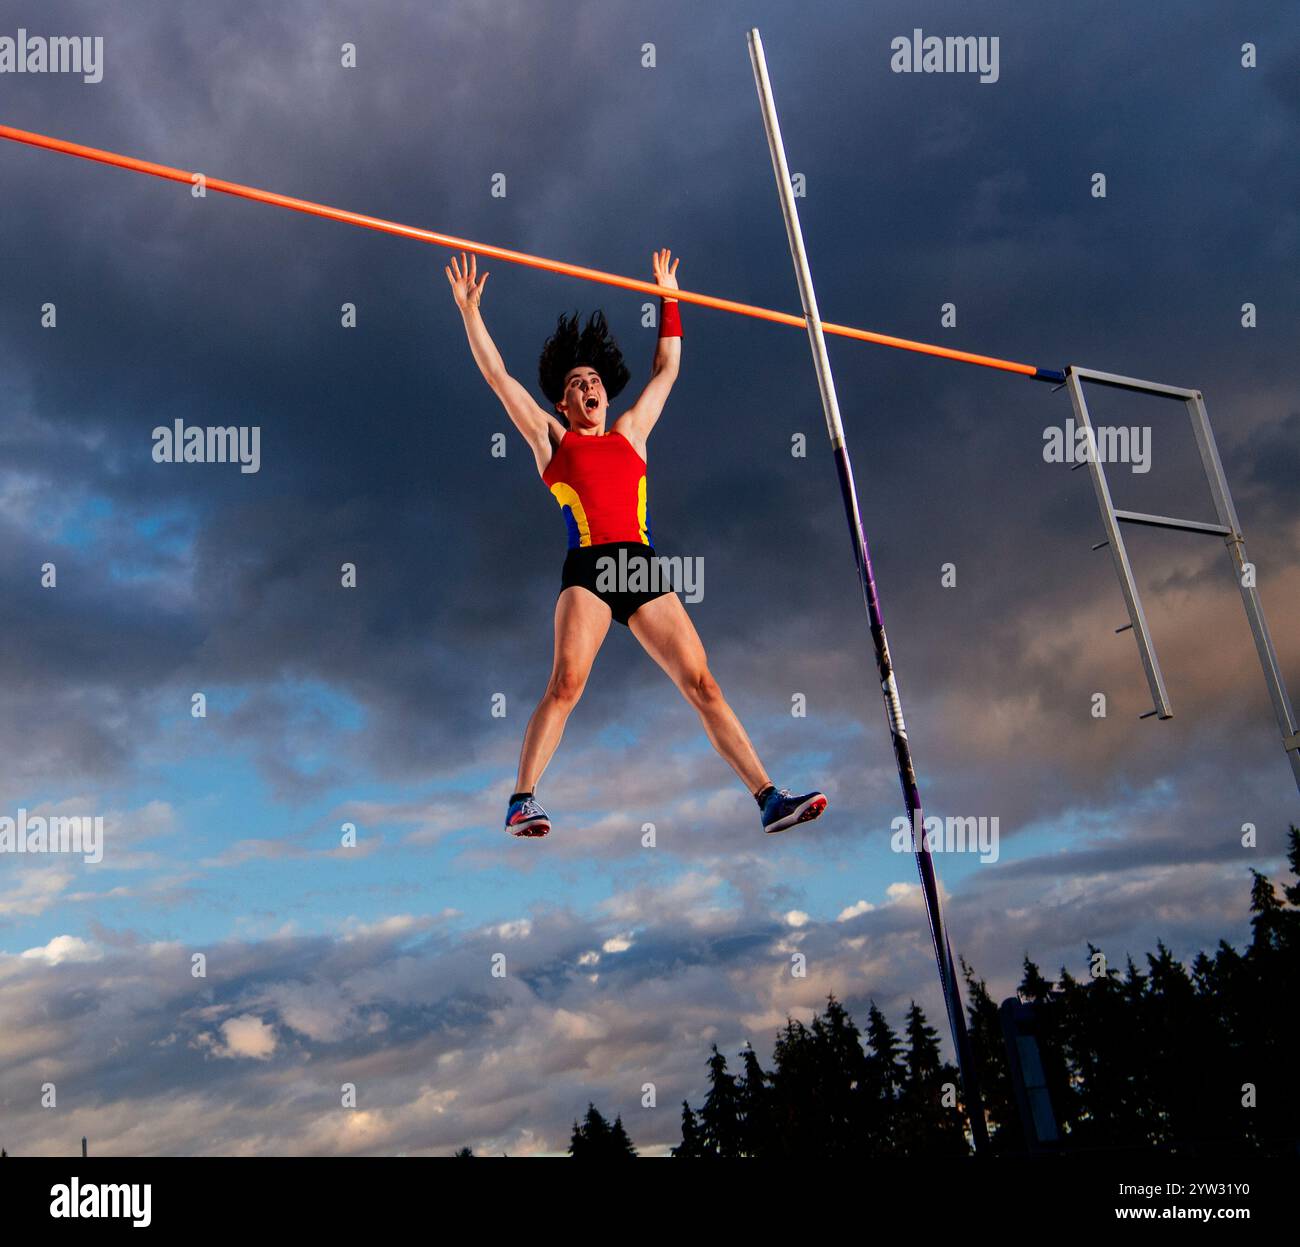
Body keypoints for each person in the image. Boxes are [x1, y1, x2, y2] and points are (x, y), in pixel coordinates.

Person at [446, 249, 827, 838]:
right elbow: (499, 378)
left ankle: (769, 798)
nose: (589, 386)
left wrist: (668, 297)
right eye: (577, 384)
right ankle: (522, 799)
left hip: (639, 567)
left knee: (703, 684)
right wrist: (472, 314)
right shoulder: (551, 440)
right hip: (591, 570)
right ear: (563, 403)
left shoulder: (630, 432)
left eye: (594, 380)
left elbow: (667, 368)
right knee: (567, 682)